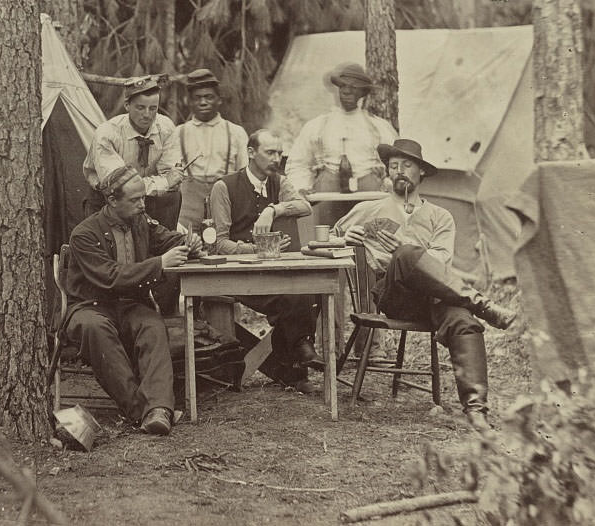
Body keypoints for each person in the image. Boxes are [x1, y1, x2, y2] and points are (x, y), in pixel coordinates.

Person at [332, 139, 517, 430]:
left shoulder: (440, 217)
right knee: (405, 255)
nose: (399, 171)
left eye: (407, 165)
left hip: (434, 297)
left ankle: (476, 411)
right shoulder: (369, 208)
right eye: (394, 166)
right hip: (394, 296)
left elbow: (440, 267)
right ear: (388, 174)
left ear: (421, 173)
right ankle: (483, 304)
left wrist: (406, 245)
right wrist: (344, 238)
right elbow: (326, 238)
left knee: (462, 320)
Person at [66, 166, 198, 436]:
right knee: (96, 329)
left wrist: (187, 242)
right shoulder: (84, 234)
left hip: (128, 305)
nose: (143, 204)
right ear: (112, 201)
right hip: (90, 307)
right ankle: (141, 411)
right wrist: (160, 263)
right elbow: (110, 276)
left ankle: (160, 409)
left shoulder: (141, 222)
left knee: (151, 325)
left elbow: (167, 239)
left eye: (143, 198)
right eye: (135, 199)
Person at [209, 129, 322, 394]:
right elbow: (219, 243)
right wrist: (258, 249)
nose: (276, 158)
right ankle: (297, 361)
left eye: (280, 153)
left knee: (307, 288)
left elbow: (304, 206)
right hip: (238, 275)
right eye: (270, 152)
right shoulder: (224, 187)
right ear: (251, 153)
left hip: (272, 272)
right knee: (293, 295)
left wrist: (273, 209)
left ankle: (293, 363)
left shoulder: (278, 183)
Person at [285, 62, 398, 225]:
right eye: (343, 86)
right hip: (327, 197)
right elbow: (298, 162)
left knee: (369, 241)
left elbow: (397, 163)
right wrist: (301, 187)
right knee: (329, 241)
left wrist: (389, 183)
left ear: (363, 92)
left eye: (353, 87)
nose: (346, 91)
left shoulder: (379, 127)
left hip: (370, 197)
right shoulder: (317, 126)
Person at [83, 76, 185, 230]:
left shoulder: (165, 128)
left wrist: (169, 181)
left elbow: (172, 177)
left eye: (153, 108)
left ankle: (165, 246)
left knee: (172, 196)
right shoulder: (107, 134)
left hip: (149, 198)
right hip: (110, 200)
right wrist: (165, 183)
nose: (147, 114)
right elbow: (120, 186)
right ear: (127, 105)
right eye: (140, 107)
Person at [175, 68, 249, 231]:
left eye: (208, 97)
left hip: (226, 204)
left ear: (219, 100)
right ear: (189, 101)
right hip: (188, 209)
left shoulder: (236, 132)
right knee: (187, 248)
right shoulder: (178, 133)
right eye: (197, 98)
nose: (203, 102)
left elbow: (245, 176)